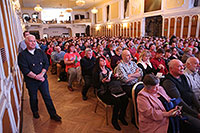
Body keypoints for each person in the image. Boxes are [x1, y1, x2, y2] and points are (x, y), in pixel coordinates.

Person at [18, 35, 61, 121]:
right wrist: (36, 77)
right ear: (26, 42)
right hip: (31, 81)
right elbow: (25, 69)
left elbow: (46, 63)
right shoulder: (22, 55)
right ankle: (35, 112)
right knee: (33, 97)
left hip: (43, 79)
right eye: (31, 41)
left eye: (34, 41)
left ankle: (53, 114)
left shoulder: (40, 52)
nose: (33, 43)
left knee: (47, 96)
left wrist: (42, 74)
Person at [162, 59, 200, 132]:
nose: (183, 68)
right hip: (182, 111)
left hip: (191, 106)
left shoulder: (182, 76)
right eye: (179, 66)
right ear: (171, 69)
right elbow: (179, 101)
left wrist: (199, 107)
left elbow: (191, 93)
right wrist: (196, 114)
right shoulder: (168, 82)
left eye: (182, 66)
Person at [93, 56, 129, 131]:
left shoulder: (108, 69)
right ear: (98, 63)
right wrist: (102, 82)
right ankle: (114, 120)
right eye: (102, 61)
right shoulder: (96, 72)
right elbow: (95, 85)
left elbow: (111, 79)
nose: (104, 62)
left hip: (111, 89)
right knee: (117, 101)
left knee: (125, 99)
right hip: (102, 91)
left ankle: (121, 116)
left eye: (104, 60)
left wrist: (115, 76)